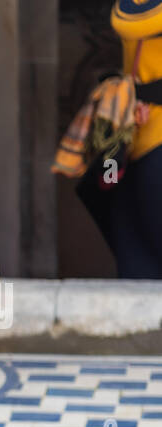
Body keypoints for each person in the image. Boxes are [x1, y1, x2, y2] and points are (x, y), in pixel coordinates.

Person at [53, 0, 162, 278]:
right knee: (134, 257)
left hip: (152, 148)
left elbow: (128, 20)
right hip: (128, 145)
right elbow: (126, 18)